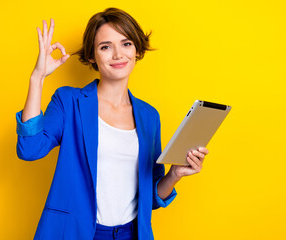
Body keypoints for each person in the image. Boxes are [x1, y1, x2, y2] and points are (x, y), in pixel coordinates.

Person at [16, 8, 209, 240]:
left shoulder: (149, 116)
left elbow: (151, 197)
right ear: (91, 56)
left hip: (131, 234)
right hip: (77, 234)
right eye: (105, 47)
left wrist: (175, 174)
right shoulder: (69, 101)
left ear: (137, 50)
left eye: (126, 43)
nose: (118, 54)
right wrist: (37, 78)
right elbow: (29, 149)